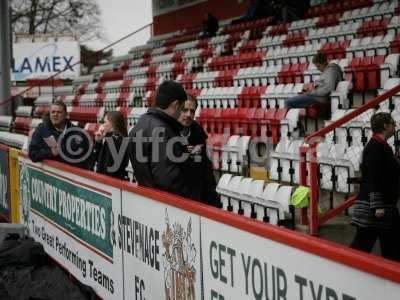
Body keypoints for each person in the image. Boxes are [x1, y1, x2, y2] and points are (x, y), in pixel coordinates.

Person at [350, 113, 400, 261]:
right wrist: (377, 205)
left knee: (393, 245)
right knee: (362, 245)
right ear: (385, 126)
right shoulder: (375, 147)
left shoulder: (381, 146)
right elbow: (374, 177)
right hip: (375, 209)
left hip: (386, 207)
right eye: (392, 123)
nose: (395, 126)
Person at [128, 80, 191, 198]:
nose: (181, 114)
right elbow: (168, 181)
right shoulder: (163, 131)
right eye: (182, 108)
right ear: (176, 105)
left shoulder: (141, 123)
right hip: (164, 207)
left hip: (146, 198)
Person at [178, 94, 220, 207]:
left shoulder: (198, 133)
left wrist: (214, 202)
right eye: (184, 110)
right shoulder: (167, 133)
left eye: (192, 111)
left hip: (197, 198)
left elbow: (206, 170)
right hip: (175, 199)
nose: (188, 115)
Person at [28, 101, 91, 169]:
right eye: (53, 112)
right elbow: (33, 154)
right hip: (52, 175)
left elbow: (87, 159)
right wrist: (50, 152)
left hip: (73, 176)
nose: (55, 114)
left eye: (59, 112)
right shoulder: (41, 130)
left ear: (66, 115)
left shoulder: (79, 133)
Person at [92, 111, 129, 180]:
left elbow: (103, 167)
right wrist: (98, 142)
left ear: (112, 123)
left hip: (110, 183)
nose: (102, 125)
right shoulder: (121, 138)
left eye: (105, 122)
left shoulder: (112, 140)